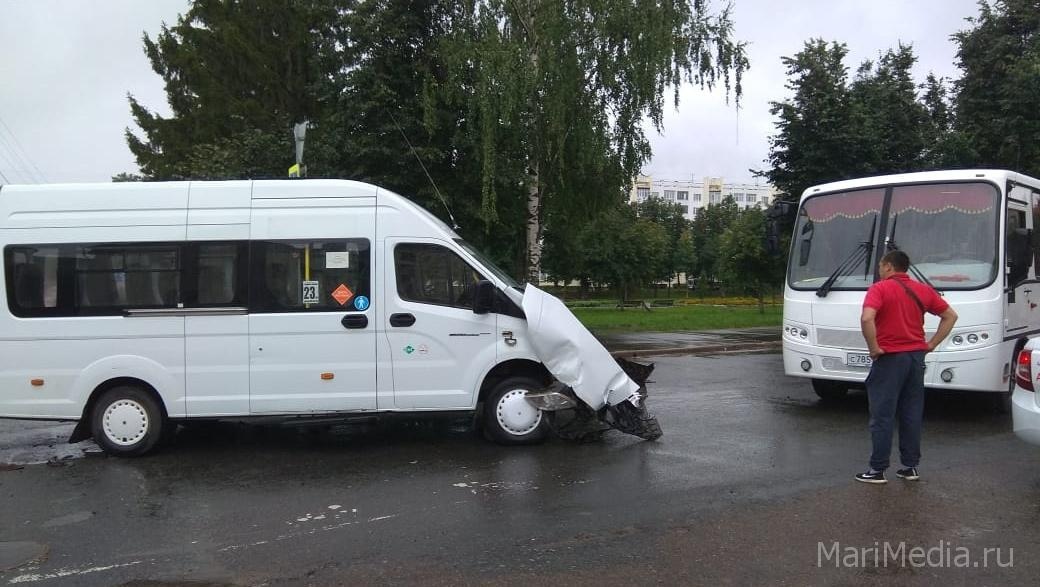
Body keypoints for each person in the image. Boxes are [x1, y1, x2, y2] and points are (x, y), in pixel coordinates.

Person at [856, 250, 958, 484]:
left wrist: (874, 347)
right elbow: (950, 316)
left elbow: (866, 318)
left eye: (881, 266)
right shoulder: (922, 290)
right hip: (915, 358)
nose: (880, 270)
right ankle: (910, 467)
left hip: (890, 358)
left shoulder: (879, 289)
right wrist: (931, 343)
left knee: (882, 414)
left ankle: (877, 470)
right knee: (911, 412)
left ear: (889, 266)